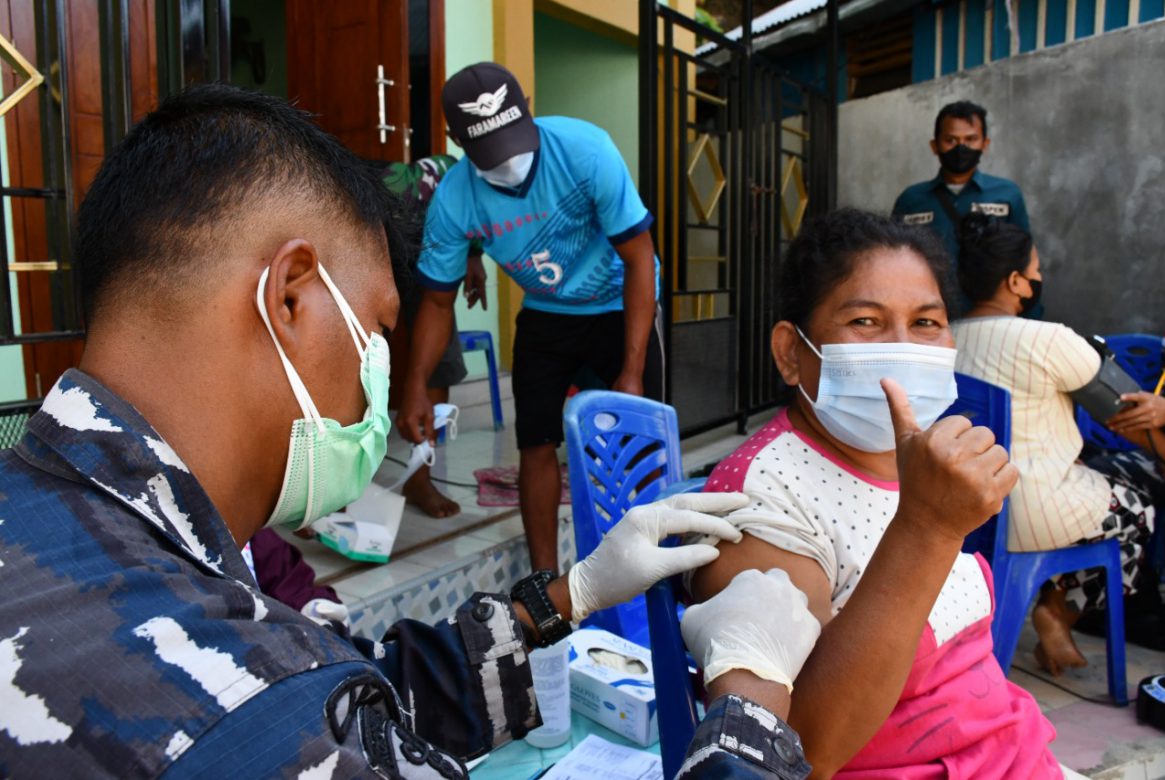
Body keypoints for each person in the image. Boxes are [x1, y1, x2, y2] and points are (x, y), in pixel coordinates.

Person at [0, 84, 815, 779]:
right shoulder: (240, 717)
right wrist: (751, 699)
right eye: (379, 334)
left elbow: (354, 692)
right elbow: (299, 710)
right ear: (290, 298)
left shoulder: (78, 520)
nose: (381, 385)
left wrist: (570, 595)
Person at [687, 208, 1061, 778]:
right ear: (791, 351)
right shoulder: (760, 500)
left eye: (928, 323)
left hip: (1011, 752)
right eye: (865, 321)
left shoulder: (916, 462)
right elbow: (802, 750)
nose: (903, 349)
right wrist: (927, 529)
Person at [395, 62, 664, 573]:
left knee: (634, 444)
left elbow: (638, 258)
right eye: (491, 152)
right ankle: (546, 582)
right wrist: (415, 383)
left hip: (619, 304)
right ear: (457, 140)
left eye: (514, 142)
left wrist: (630, 371)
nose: (510, 163)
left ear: (528, 111)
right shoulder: (454, 198)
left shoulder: (586, 151)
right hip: (546, 314)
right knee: (535, 442)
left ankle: (644, 570)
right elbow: (435, 301)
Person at [951, 213, 1165, 670]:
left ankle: (1052, 599)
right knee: (1140, 503)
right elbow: (1125, 411)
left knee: (1106, 477)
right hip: (1034, 511)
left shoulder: (945, 337)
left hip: (965, 511)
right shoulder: (1048, 340)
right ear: (1015, 281)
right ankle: (1059, 608)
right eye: (1036, 271)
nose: (1040, 279)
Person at [382, 154, 487, 518]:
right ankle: (325, 497)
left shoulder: (455, 179)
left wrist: (473, 256)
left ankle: (419, 476)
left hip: (430, 261)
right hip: (370, 257)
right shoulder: (364, 193)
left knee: (439, 361)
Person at [892, 101, 1030, 274]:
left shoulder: (1008, 194)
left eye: (970, 139)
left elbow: (1025, 259)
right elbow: (895, 260)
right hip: (929, 300)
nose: (960, 148)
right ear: (935, 146)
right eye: (950, 140)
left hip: (985, 301)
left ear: (985, 144)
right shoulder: (910, 200)